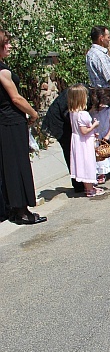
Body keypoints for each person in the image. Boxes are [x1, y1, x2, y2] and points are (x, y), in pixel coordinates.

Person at [0, 28, 46, 224]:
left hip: (6, 123)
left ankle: (12, 208)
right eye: (6, 43)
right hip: (11, 122)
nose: (10, 46)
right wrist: (34, 113)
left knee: (8, 167)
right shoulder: (2, 71)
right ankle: (21, 211)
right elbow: (16, 98)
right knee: (17, 166)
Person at [68, 84, 103, 197]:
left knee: (82, 164)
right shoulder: (83, 114)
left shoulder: (73, 113)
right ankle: (90, 189)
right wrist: (94, 126)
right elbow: (84, 131)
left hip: (77, 140)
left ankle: (89, 187)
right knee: (88, 163)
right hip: (84, 142)